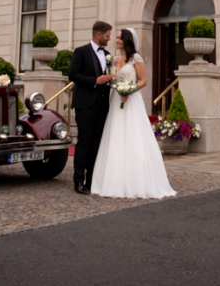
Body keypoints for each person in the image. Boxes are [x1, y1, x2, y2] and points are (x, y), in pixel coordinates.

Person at [91, 28, 175, 199]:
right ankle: (112, 180)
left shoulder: (135, 58)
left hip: (131, 100)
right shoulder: (113, 59)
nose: (116, 40)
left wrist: (129, 91)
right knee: (114, 136)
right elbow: (111, 79)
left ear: (127, 40)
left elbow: (143, 80)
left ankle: (138, 180)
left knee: (133, 136)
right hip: (116, 101)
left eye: (120, 38)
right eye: (116, 37)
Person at [68, 21, 113, 195]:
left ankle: (91, 180)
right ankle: (78, 181)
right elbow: (73, 74)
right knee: (84, 143)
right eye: (107, 36)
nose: (109, 39)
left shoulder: (108, 55)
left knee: (96, 145)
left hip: (102, 105)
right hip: (85, 105)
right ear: (98, 35)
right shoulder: (81, 51)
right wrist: (94, 80)